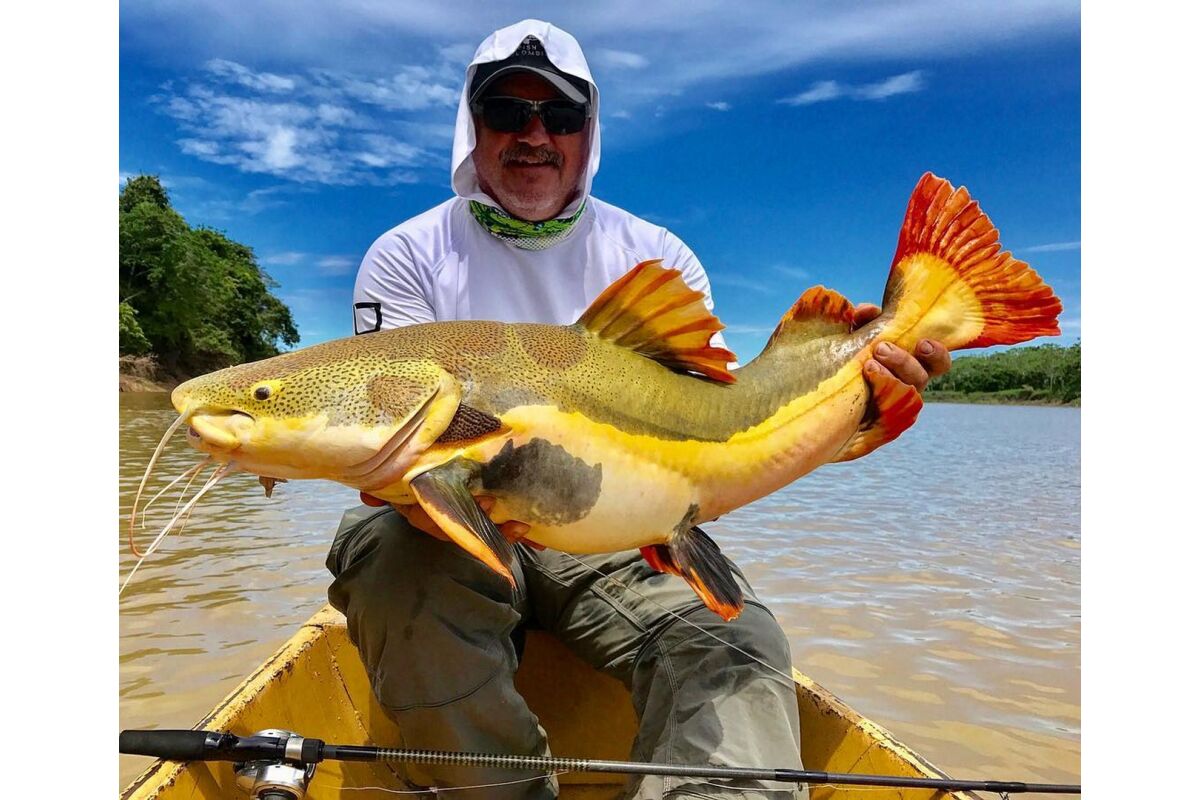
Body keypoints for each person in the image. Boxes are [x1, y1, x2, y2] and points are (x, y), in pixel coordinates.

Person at [328, 19, 950, 800]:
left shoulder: (658, 258)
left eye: (559, 115)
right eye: (507, 111)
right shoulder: (407, 255)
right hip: (446, 529)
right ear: (470, 124)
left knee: (739, 645)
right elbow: (389, 438)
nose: (533, 135)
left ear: (589, 130)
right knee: (390, 569)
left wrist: (859, 406)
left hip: (625, 535)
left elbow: (717, 434)